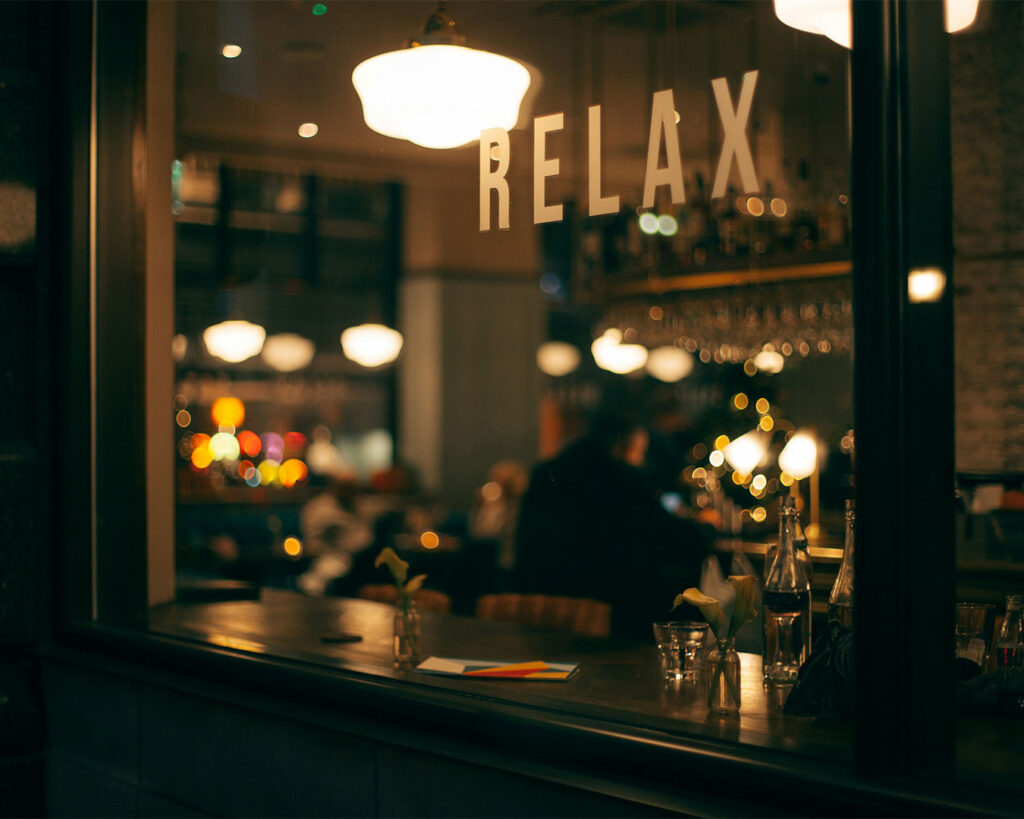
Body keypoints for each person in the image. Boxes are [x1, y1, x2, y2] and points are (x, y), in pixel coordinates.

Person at [515, 411, 712, 640]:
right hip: (604, 605)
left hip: (538, 598)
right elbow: (669, 533)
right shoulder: (621, 477)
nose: (640, 460)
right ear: (622, 445)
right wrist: (705, 527)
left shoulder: (547, 470)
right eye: (639, 451)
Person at [296, 471, 374, 596]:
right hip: (334, 558)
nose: (351, 492)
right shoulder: (319, 509)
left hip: (366, 559)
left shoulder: (360, 504)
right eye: (347, 487)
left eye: (353, 488)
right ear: (334, 486)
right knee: (323, 578)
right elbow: (313, 542)